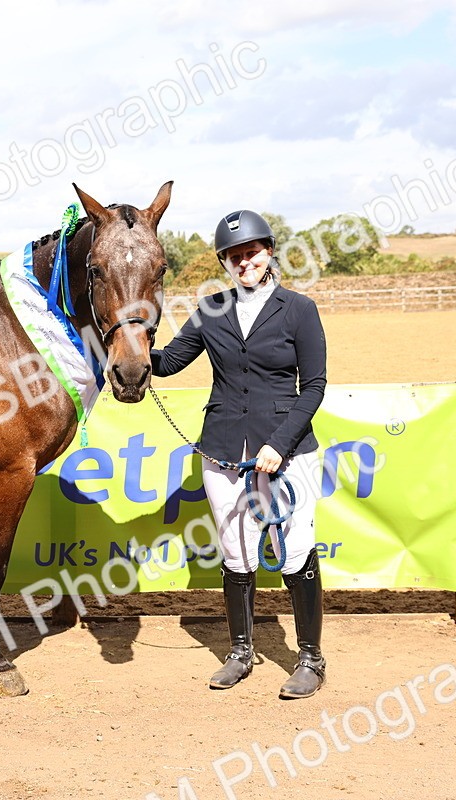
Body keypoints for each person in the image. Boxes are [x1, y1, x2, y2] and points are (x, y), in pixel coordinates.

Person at [150, 209, 328, 699]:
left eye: (251, 252)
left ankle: (310, 660)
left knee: (295, 551)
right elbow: (169, 362)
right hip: (224, 449)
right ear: (224, 263)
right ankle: (240, 652)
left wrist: (278, 444)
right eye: (234, 256)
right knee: (236, 551)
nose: (244, 262)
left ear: (268, 251)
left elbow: (314, 386)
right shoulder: (210, 309)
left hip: (287, 452)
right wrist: (129, 344)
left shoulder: (299, 309)